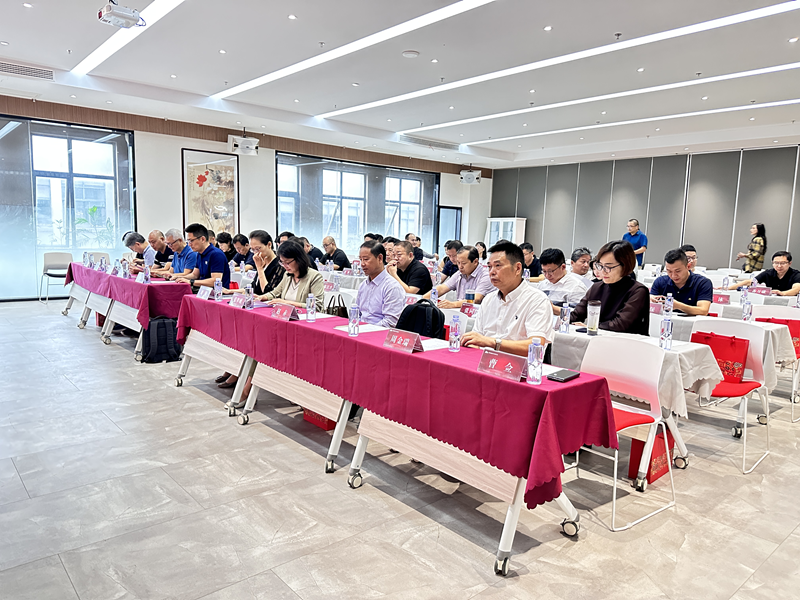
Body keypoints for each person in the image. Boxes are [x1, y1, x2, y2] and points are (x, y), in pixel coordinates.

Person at [460, 240, 553, 356]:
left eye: (498, 266)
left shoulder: (537, 300)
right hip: (485, 362)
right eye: (489, 267)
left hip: (518, 365)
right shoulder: (489, 299)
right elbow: (477, 339)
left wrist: (493, 343)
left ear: (518, 268)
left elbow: (535, 346)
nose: (492, 272)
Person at [570, 240, 650, 335]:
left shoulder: (638, 291)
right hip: (599, 339)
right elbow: (577, 314)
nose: (603, 272)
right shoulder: (596, 287)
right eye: (600, 266)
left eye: (608, 267)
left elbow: (620, 324)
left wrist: (591, 327)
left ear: (625, 266)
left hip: (627, 341)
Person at [259, 240, 325, 307]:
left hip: (304, 313)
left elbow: (317, 306)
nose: (285, 266)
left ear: (299, 259)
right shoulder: (287, 275)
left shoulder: (315, 276)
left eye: (287, 262)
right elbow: (275, 293)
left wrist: (286, 303)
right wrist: (261, 297)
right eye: (282, 262)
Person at [424, 245, 494, 308]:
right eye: (458, 263)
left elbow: (477, 298)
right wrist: (422, 299)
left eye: (463, 263)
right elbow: (442, 288)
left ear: (475, 262)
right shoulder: (460, 273)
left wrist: (453, 304)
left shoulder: (485, 276)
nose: (460, 266)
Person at [355, 240, 405, 327]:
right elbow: (357, 314)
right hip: (361, 330)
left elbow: (390, 323)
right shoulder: (363, 285)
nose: (362, 264)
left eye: (366, 259)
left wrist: (366, 330)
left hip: (379, 332)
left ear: (380, 258)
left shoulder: (392, 287)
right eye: (360, 259)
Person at [650, 249, 713, 315]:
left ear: (688, 266)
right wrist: (650, 300)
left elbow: (703, 311)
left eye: (678, 271)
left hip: (692, 321)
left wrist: (678, 306)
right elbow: (651, 301)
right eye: (669, 271)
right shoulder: (660, 281)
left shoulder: (703, 283)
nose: (673, 275)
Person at [173, 223, 231, 288]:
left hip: (217, 292)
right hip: (203, 290)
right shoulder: (199, 254)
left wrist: (191, 282)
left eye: (191, 241)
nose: (189, 244)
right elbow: (195, 275)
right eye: (188, 241)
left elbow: (215, 281)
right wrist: (178, 277)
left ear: (203, 239)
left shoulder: (216, 254)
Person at [734, 251, 800, 296]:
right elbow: (750, 282)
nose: (779, 266)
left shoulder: (796, 275)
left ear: (789, 263)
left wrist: (782, 293)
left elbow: (796, 289)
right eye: (776, 263)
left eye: (783, 263)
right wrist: (729, 288)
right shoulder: (768, 273)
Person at [249, 230, 285, 295]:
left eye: (257, 249)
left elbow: (269, 292)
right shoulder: (261, 261)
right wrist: (231, 291)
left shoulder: (280, 264)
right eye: (252, 250)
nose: (255, 253)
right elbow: (253, 286)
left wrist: (260, 269)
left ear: (269, 244)